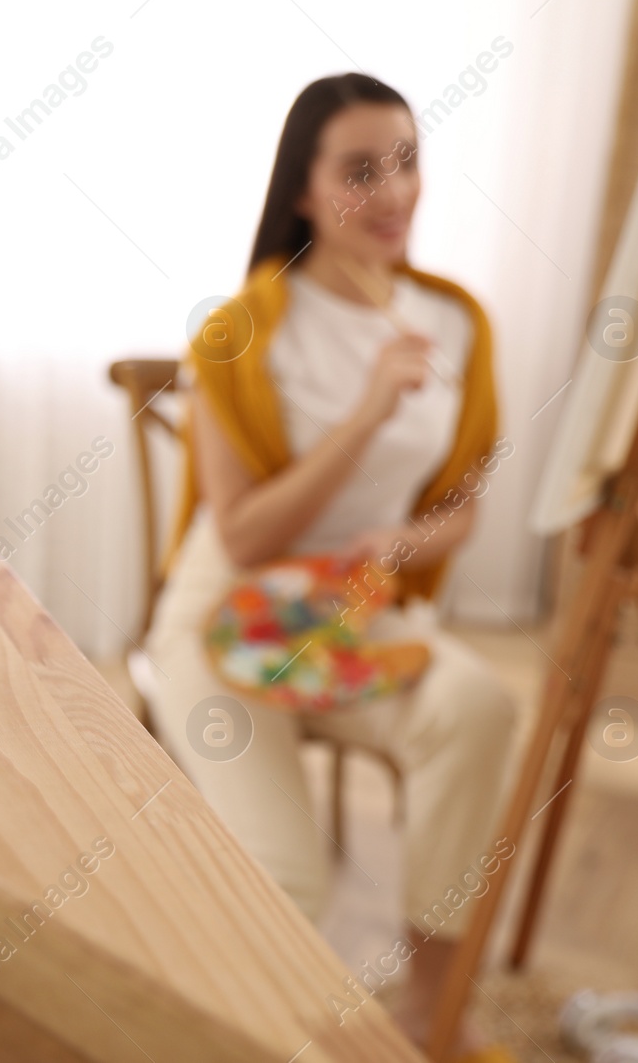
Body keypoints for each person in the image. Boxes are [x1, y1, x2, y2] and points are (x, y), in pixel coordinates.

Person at [144, 73, 518, 1061]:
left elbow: (462, 506)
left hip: (351, 611)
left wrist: (399, 545)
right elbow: (249, 532)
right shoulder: (237, 331)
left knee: (478, 706)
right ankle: (243, 1034)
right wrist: (364, 414)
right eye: (360, 171)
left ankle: (430, 1010)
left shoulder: (459, 323)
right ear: (302, 191)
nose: (393, 191)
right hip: (223, 613)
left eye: (405, 161)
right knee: (287, 880)